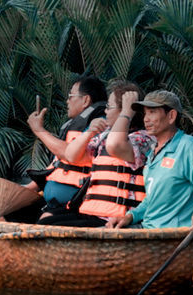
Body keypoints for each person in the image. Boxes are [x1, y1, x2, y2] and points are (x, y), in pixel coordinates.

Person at [106, 90, 193, 238]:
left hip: (172, 234)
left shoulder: (187, 146)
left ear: (171, 116)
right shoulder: (153, 152)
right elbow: (151, 201)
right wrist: (129, 216)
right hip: (148, 229)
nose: (146, 119)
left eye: (152, 112)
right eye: (145, 114)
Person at [57, 82, 156, 227]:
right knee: (47, 220)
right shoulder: (104, 136)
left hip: (115, 219)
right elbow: (71, 155)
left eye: (109, 107)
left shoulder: (144, 139)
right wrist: (90, 132)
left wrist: (127, 112)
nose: (105, 112)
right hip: (93, 213)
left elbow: (114, 145)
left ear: (125, 110)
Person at [26, 74, 106, 221]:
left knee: (46, 219)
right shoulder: (73, 127)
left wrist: (39, 130)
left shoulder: (99, 125)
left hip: (75, 205)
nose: (67, 101)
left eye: (70, 96)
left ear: (86, 100)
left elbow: (70, 154)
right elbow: (57, 163)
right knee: (4, 212)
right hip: (53, 204)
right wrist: (22, 191)